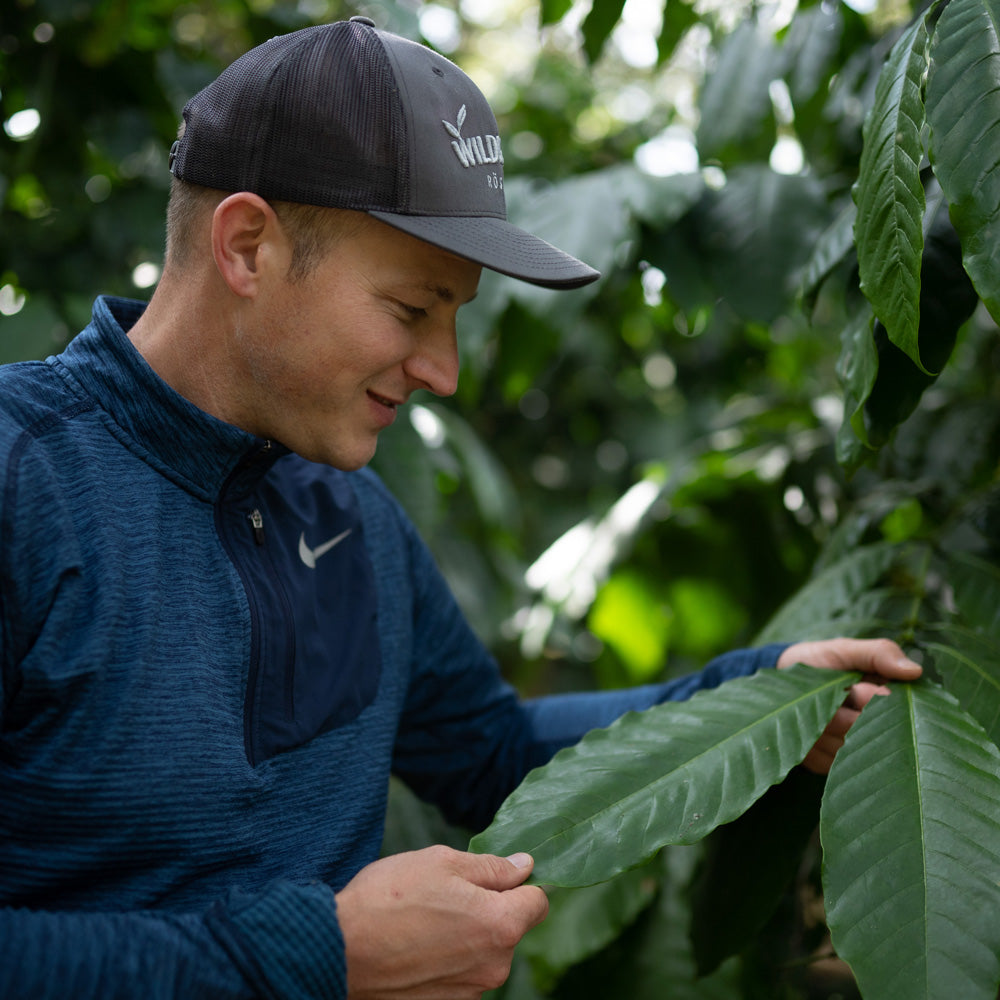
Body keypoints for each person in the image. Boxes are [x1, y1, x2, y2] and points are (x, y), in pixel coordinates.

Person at [0, 17, 921, 1000]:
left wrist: (760, 696)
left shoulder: (345, 512)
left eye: (454, 317)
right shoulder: (24, 482)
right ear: (248, 246)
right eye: (410, 309)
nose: (441, 370)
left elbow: (492, 752)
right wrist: (315, 957)